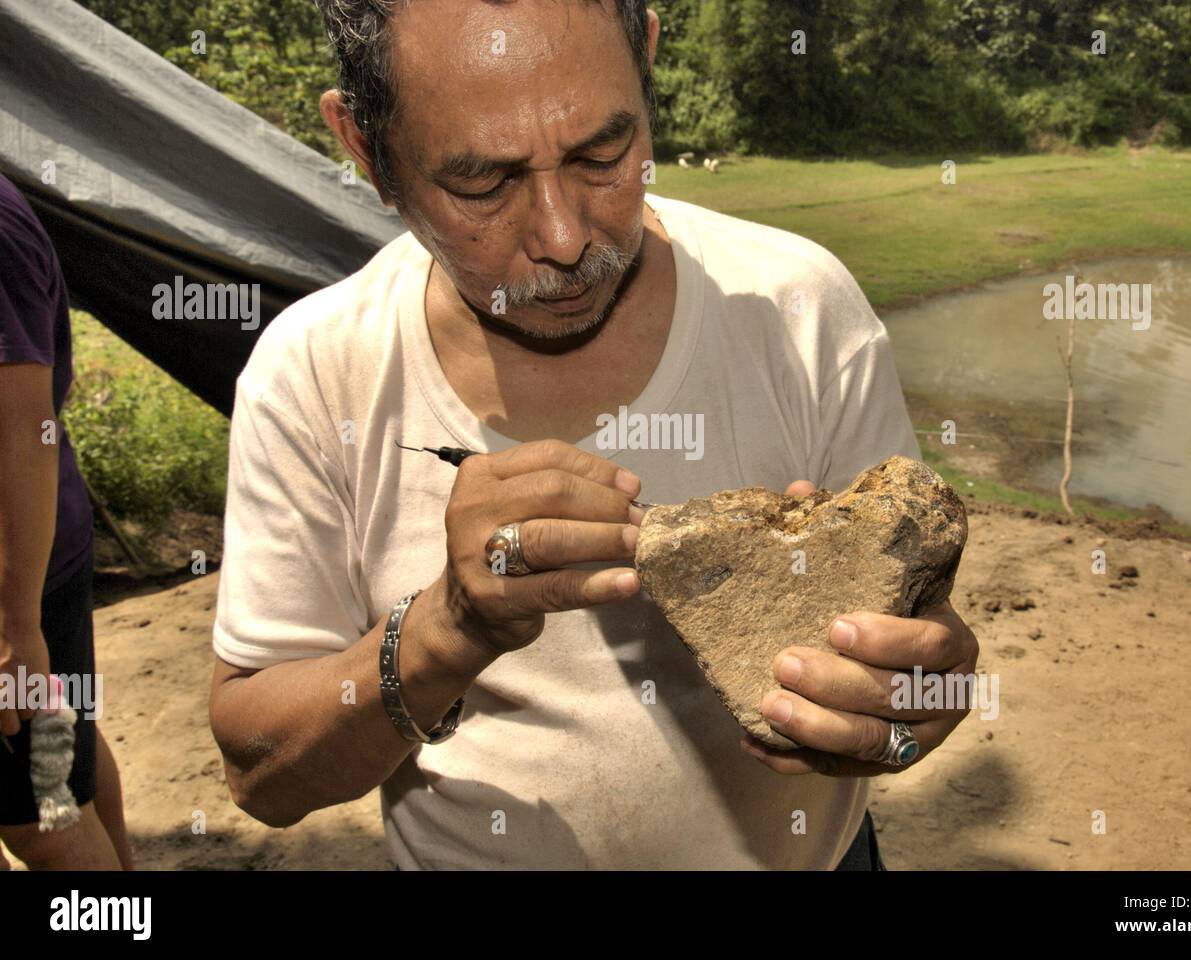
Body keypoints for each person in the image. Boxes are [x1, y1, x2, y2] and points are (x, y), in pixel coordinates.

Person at [209, 0, 979, 869]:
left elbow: (920, 625)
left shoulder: (800, 306)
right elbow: (260, 775)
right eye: (482, 182)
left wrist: (918, 691)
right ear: (363, 149)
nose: (565, 238)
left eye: (603, 155)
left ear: (646, 56)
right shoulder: (313, 373)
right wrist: (443, 631)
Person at [0, 171, 132, 870]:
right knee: (66, 769)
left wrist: (14, 627)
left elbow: (22, 429)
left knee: (39, 823)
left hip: (15, 566)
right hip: (43, 539)